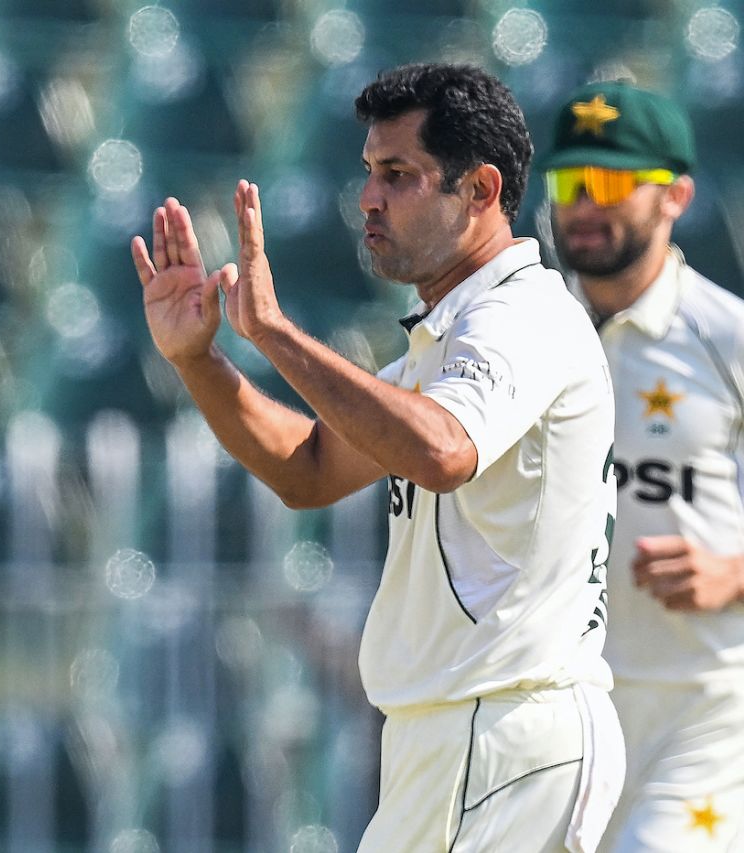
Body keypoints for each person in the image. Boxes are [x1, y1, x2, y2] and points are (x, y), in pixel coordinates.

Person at [131, 63, 624, 852]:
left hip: (502, 732)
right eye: (368, 172)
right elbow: (310, 467)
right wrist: (200, 360)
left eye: (399, 175)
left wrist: (276, 334)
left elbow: (441, 449)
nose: (368, 197)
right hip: (454, 740)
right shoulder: (454, 334)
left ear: (482, 189)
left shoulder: (520, 314)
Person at [544, 80, 744, 852]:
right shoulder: (521, 334)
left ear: (676, 196)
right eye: (571, 182)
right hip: (553, 721)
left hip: (698, 711)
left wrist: (733, 571)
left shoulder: (725, 338)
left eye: (614, 182)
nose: (586, 205)